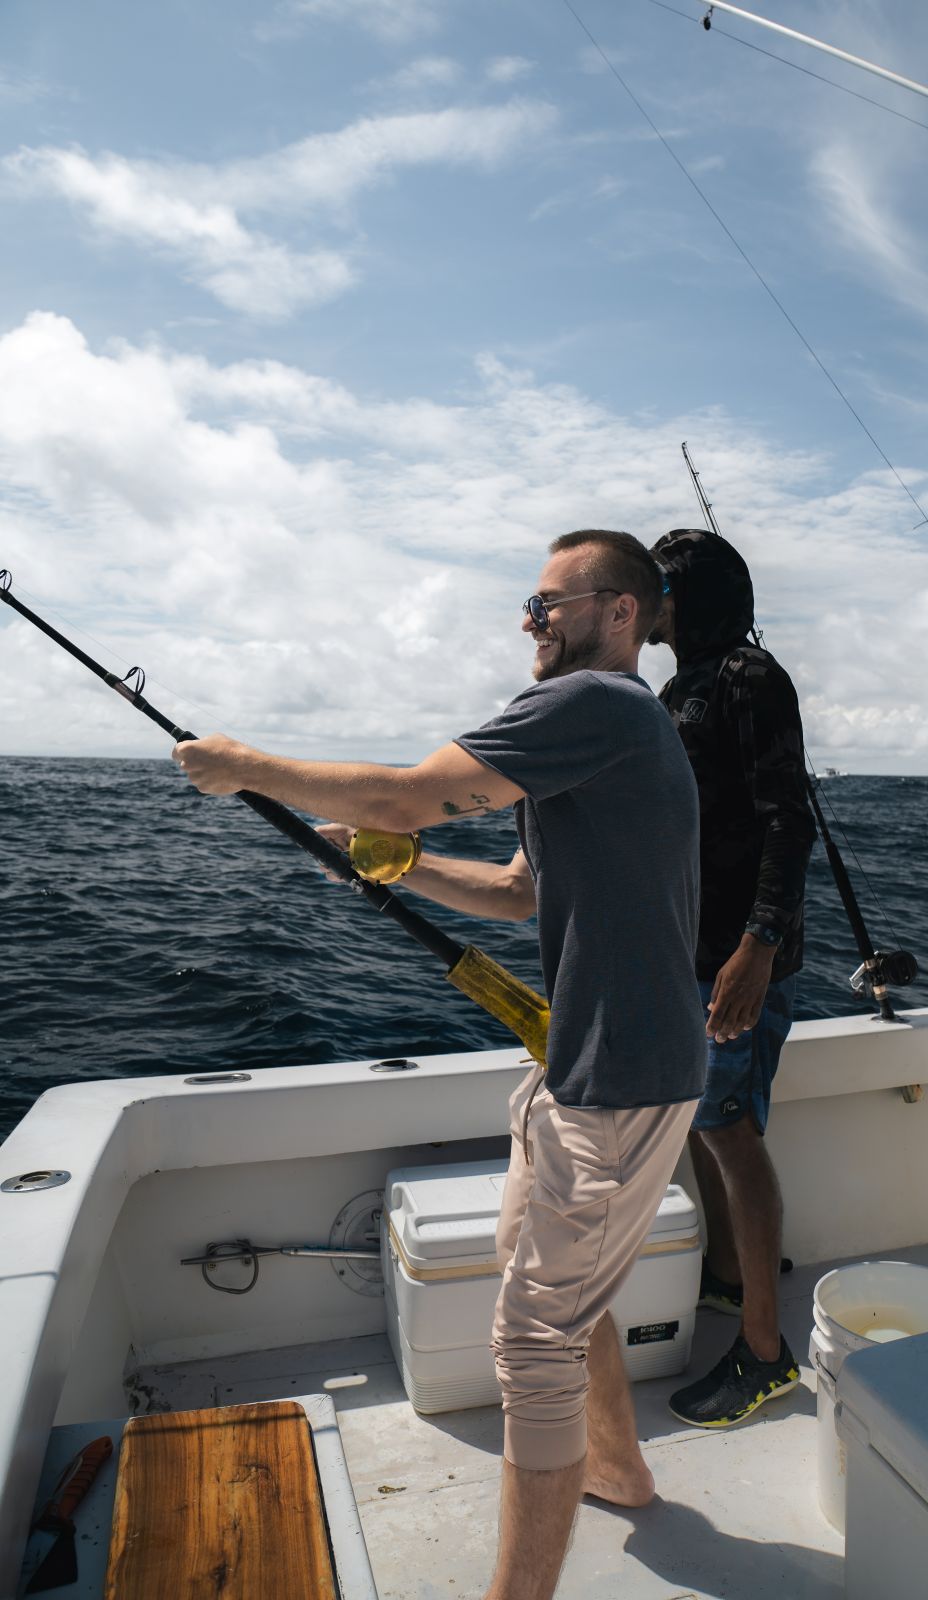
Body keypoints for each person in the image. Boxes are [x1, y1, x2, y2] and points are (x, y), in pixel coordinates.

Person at [172, 528, 707, 1600]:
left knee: (531, 1341)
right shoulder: (607, 730)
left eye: (548, 601)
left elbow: (407, 790)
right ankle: (616, 1464)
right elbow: (516, 891)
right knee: (543, 1269)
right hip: (580, 1059)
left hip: (617, 1077)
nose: (528, 617)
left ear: (620, 611)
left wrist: (244, 769)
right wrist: (406, 866)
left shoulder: (595, 703)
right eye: (530, 600)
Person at [648, 527, 815, 1427]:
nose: (647, 602)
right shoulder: (683, 684)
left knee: (729, 1131)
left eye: (660, 587)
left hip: (736, 962)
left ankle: (763, 1354)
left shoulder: (750, 679)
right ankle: (722, 1280)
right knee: (702, 1124)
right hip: (691, 953)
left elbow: (787, 819)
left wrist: (756, 946)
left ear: (693, 595)